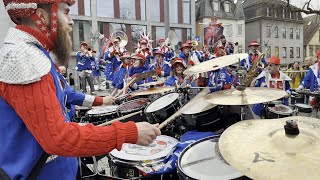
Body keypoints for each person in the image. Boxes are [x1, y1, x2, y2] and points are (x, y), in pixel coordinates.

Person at [0, 1, 161, 179]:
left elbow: (64, 98)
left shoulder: (35, 53)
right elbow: (59, 138)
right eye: (66, 13)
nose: (71, 21)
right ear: (42, 16)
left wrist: (99, 104)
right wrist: (129, 133)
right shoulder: (23, 57)